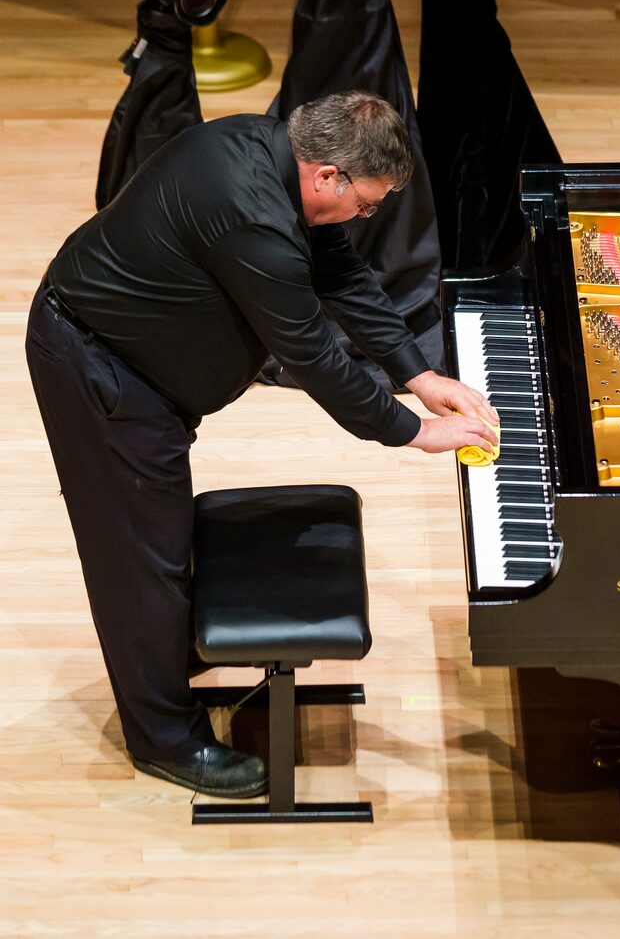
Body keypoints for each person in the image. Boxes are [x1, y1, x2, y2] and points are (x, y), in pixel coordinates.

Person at [26, 90, 498, 799]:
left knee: (158, 538)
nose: (365, 217)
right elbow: (312, 355)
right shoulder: (253, 217)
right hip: (99, 368)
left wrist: (417, 371)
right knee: (140, 557)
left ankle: (163, 653)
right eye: (366, 204)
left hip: (138, 368)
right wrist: (414, 430)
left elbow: (340, 272)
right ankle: (165, 740)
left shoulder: (277, 154)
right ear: (328, 176)